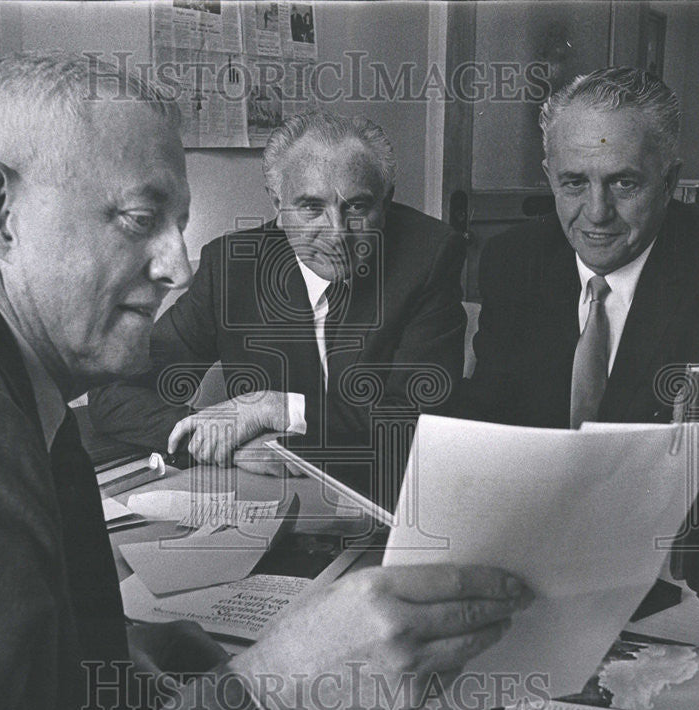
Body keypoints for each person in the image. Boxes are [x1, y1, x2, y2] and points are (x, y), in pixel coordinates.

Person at [0, 52, 527, 710]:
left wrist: (107, 649)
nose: (178, 267)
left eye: (178, 225)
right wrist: (276, 691)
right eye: (139, 219)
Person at [89, 111, 466, 493]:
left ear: (386, 203)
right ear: (278, 205)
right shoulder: (231, 267)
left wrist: (274, 407)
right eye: (311, 207)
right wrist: (222, 441)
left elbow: (418, 419)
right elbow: (114, 392)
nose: (336, 234)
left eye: (357, 207)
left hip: (393, 491)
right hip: (270, 493)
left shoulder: (428, 255)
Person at [458, 66, 699, 428]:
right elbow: (489, 415)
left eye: (623, 183)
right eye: (573, 183)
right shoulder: (513, 261)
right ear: (549, 176)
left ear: (669, 183)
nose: (597, 213)